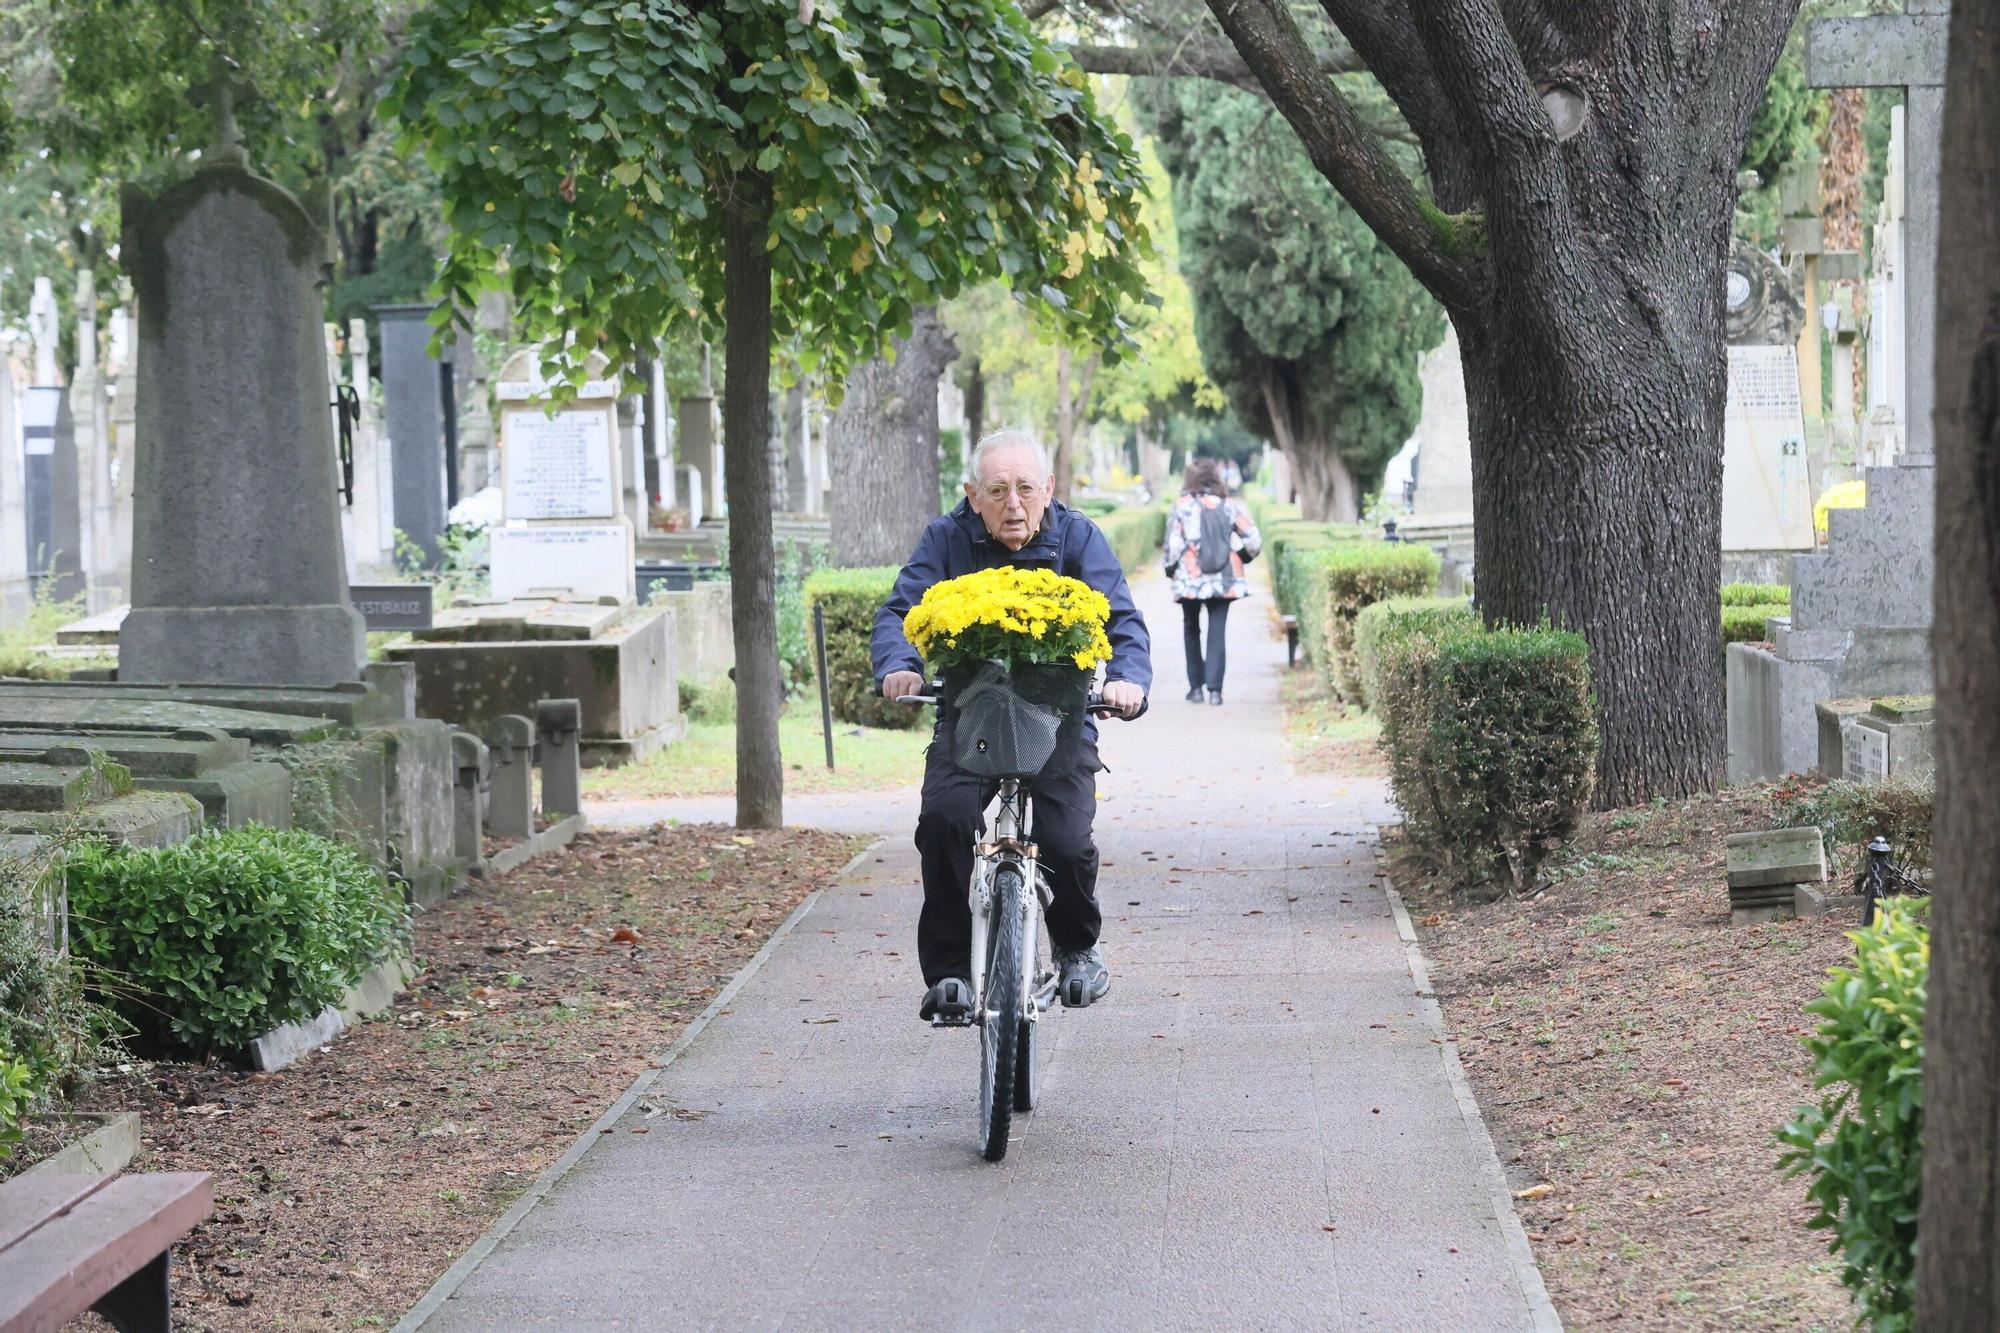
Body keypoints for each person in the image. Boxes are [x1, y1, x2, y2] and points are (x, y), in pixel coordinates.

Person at [873, 429, 1151, 1022]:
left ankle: (1077, 949)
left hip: (1057, 721)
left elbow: (1122, 618)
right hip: (970, 719)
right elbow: (900, 611)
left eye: (1026, 488)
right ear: (972, 495)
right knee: (945, 822)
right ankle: (949, 974)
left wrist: (1127, 679)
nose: (1014, 504)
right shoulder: (945, 540)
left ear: (1048, 488)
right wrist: (900, 666)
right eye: (997, 491)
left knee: (1068, 841)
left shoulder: (1076, 538)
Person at [1163, 457, 1262, 705]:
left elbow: (1174, 546)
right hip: (1224, 580)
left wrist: (1170, 568)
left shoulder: (1182, 506)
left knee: (1191, 629)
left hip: (1190, 579)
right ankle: (1215, 692)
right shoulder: (1229, 506)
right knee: (1218, 630)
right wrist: (1241, 556)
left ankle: (1196, 688)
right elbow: (1253, 539)